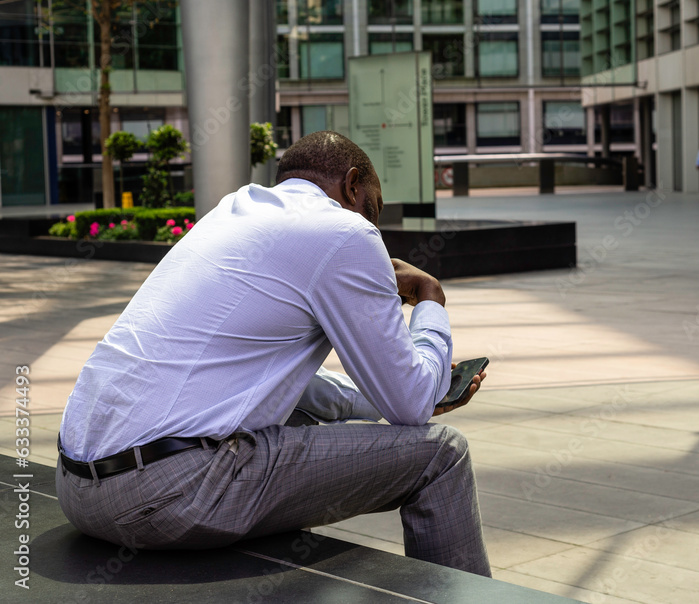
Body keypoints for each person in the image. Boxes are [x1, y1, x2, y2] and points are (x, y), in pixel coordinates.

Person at [55, 131, 492, 577]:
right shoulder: (347, 233)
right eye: (373, 211)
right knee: (442, 455)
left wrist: (386, 398)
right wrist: (430, 298)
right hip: (162, 497)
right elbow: (412, 404)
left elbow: (281, 386)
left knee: (301, 416)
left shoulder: (232, 212)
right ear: (353, 185)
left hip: (78, 488)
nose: (374, 231)